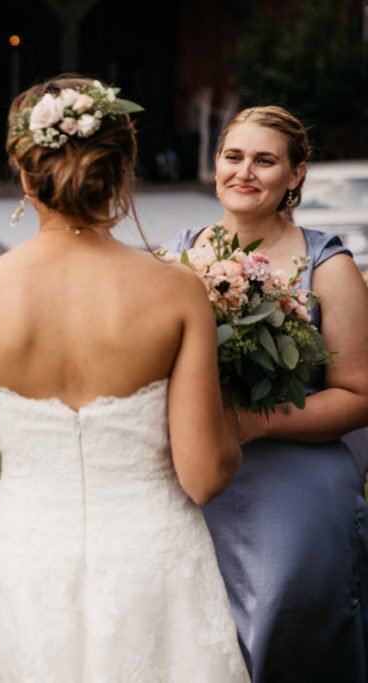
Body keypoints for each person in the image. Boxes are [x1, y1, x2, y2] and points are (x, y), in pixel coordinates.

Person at [0, 75, 249, 682]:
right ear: (122, 173)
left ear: (22, 171)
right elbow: (203, 475)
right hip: (151, 554)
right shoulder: (176, 292)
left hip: (27, 554)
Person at [168, 105, 368, 682]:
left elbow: (359, 394)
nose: (245, 172)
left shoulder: (329, 267)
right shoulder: (177, 258)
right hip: (195, 481)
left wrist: (257, 421)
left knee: (287, 636)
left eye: (266, 160)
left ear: (296, 174)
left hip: (296, 483)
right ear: (215, 164)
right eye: (234, 156)